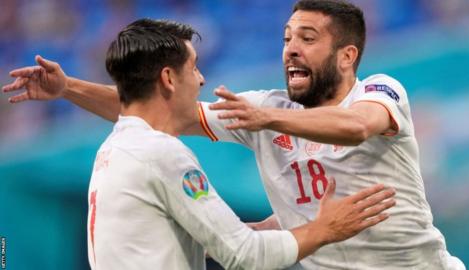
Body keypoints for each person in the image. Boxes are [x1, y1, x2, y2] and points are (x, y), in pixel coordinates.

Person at [1, 1, 464, 269]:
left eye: (307, 38)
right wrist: (68, 88)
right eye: (286, 38)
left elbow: (358, 127)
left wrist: (268, 123)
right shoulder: (262, 109)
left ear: (346, 56)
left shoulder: (380, 91)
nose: (291, 50)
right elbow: (160, 110)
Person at [55, 18, 396, 270]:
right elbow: (244, 254)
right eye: (194, 67)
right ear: (169, 79)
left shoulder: (114, 150)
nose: (202, 79)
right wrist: (324, 229)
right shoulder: (161, 153)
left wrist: (68, 87)